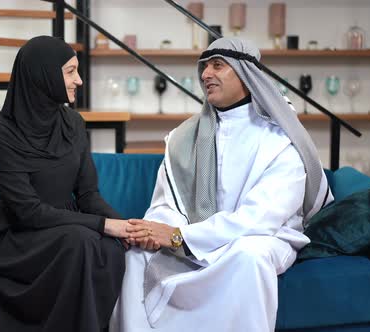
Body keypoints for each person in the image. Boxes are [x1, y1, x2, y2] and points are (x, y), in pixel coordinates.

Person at [110, 37, 334, 332]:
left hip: (261, 236)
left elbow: (261, 219)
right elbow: (166, 203)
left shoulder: (281, 139)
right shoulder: (184, 137)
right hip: (193, 235)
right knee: (138, 256)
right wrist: (157, 231)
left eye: (218, 65)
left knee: (249, 257)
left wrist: (180, 238)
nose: (205, 75)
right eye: (204, 67)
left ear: (246, 74)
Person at [0, 36, 138, 332]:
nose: (79, 80)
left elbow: (88, 195)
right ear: (43, 75)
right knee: (82, 240)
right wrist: (103, 225)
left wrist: (127, 226)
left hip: (67, 227)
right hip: (20, 234)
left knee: (111, 247)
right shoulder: (0, 134)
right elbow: (28, 212)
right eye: (70, 71)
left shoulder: (73, 123)